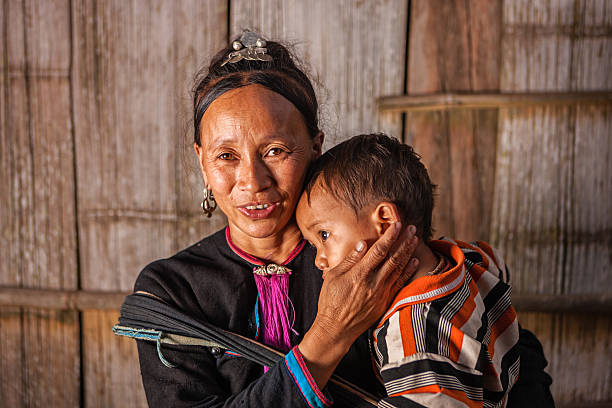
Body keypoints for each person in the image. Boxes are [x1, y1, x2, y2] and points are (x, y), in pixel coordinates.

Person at [132, 31, 553, 407]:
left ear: (315, 148)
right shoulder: (171, 294)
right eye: (226, 156)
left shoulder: (368, 251)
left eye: (276, 150)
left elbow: (513, 361)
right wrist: (329, 335)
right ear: (202, 162)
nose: (253, 181)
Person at [296, 133, 520, 407]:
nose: (318, 259)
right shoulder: (470, 256)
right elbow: (500, 270)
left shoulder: (412, 333)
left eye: (324, 235)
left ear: (386, 221)